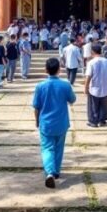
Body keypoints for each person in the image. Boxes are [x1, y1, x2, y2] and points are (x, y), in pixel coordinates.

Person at [33, 58, 76, 189]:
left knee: (47, 148)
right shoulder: (65, 85)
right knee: (59, 148)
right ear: (59, 69)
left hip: (46, 123)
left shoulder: (40, 86)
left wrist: (37, 121)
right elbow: (72, 100)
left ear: (46, 70)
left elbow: (36, 107)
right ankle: (56, 171)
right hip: (61, 123)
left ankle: (50, 172)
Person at [84, 43, 107, 128]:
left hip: (94, 88)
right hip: (105, 87)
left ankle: (93, 121)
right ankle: (102, 120)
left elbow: (88, 76)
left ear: (92, 52)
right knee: (103, 105)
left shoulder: (91, 63)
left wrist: (86, 87)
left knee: (93, 105)